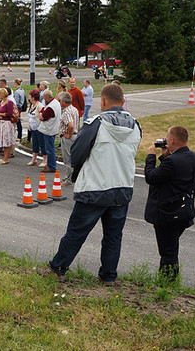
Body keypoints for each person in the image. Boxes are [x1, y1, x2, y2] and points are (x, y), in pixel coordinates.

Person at [44, 83, 141, 284]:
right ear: (123, 102)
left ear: (103, 101)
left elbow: (76, 154)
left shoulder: (96, 123)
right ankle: (108, 275)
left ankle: (58, 268)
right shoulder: (135, 125)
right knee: (113, 236)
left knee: (76, 233)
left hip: (95, 187)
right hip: (121, 187)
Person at [144, 126, 195, 281]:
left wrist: (151, 157)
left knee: (168, 252)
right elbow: (170, 176)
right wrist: (165, 157)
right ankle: (169, 281)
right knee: (171, 249)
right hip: (183, 211)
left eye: (167, 138)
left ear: (172, 140)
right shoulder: (193, 157)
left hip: (168, 214)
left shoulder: (173, 162)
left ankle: (168, 282)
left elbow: (151, 177)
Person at [37, 89, 61, 173]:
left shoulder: (51, 107)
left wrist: (41, 115)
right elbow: (43, 110)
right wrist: (41, 113)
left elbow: (43, 117)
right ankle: (50, 164)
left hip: (48, 130)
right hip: (52, 129)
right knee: (50, 147)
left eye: (43, 97)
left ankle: (51, 166)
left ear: (46, 97)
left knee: (49, 148)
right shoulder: (55, 102)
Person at [58, 91, 79, 185]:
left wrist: (69, 134)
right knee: (73, 157)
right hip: (75, 135)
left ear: (63, 102)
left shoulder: (66, 112)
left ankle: (68, 178)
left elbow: (70, 125)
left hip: (68, 136)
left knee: (67, 158)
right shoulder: (74, 109)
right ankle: (71, 176)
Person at [26, 89, 47, 167]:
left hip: (39, 128)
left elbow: (42, 116)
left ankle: (45, 159)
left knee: (42, 143)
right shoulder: (32, 105)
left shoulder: (40, 106)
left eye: (30, 96)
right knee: (35, 143)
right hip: (33, 128)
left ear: (33, 97)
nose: (29, 98)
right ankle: (34, 159)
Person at [0, 88, 16, 163]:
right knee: (3, 140)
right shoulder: (1, 102)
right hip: (1, 123)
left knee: (7, 140)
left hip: (7, 123)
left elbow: (9, 113)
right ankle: (5, 157)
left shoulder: (9, 102)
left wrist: (1, 114)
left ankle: (6, 158)